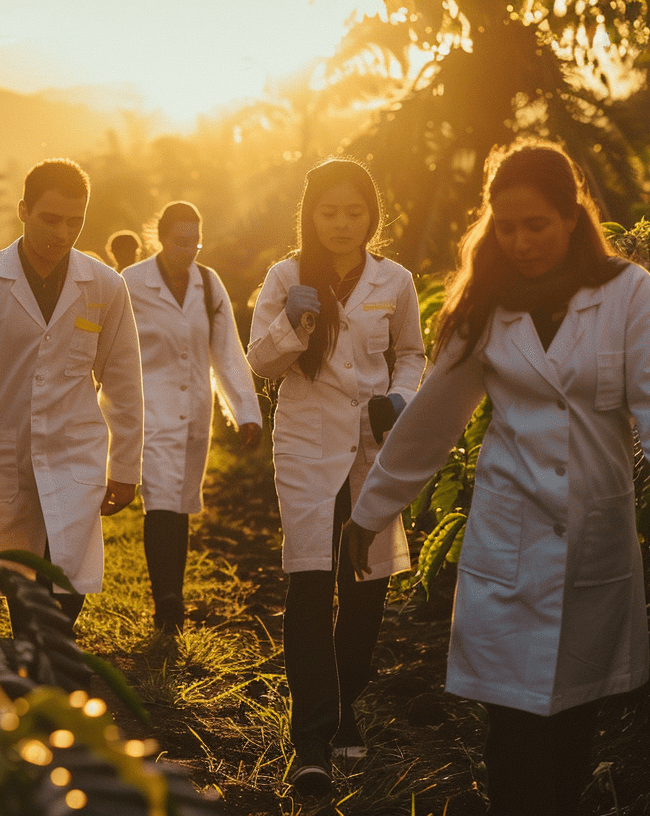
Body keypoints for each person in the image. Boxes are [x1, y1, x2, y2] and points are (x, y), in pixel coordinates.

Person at [343, 139, 650, 815]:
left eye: (535, 225)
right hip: (508, 541)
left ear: (573, 218)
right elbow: (431, 421)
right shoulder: (488, 303)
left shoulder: (628, 295)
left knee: (572, 732)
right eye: (505, 226)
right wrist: (370, 513)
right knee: (511, 737)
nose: (520, 241)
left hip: (594, 543)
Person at [246, 158, 426, 795]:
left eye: (355, 212)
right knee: (309, 583)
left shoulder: (394, 280)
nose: (342, 224)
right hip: (305, 445)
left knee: (366, 588)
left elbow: (411, 354)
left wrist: (402, 398)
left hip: (372, 449)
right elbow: (260, 365)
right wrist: (292, 325)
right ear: (310, 216)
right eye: (329, 212)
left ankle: (350, 700)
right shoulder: (286, 277)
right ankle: (314, 737)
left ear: (372, 216)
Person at [0, 158, 144, 630]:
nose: (63, 232)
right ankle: (38, 683)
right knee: (22, 584)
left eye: (75, 221)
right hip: (4, 453)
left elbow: (123, 382)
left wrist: (126, 468)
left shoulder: (105, 286)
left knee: (67, 582)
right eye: (50, 218)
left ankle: (43, 673)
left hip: (75, 450)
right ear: (23, 210)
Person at [121, 202, 262, 633]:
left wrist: (246, 412)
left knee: (180, 505)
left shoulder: (207, 282)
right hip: (149, 412)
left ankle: (171, 598)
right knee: (160, 502)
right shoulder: (131, 283)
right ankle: (169, 605)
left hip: (194, 413)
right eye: (181, 242)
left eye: (195, 243)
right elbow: (109, 351)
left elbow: (226, 350)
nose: (189, 251)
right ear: (160, 237)